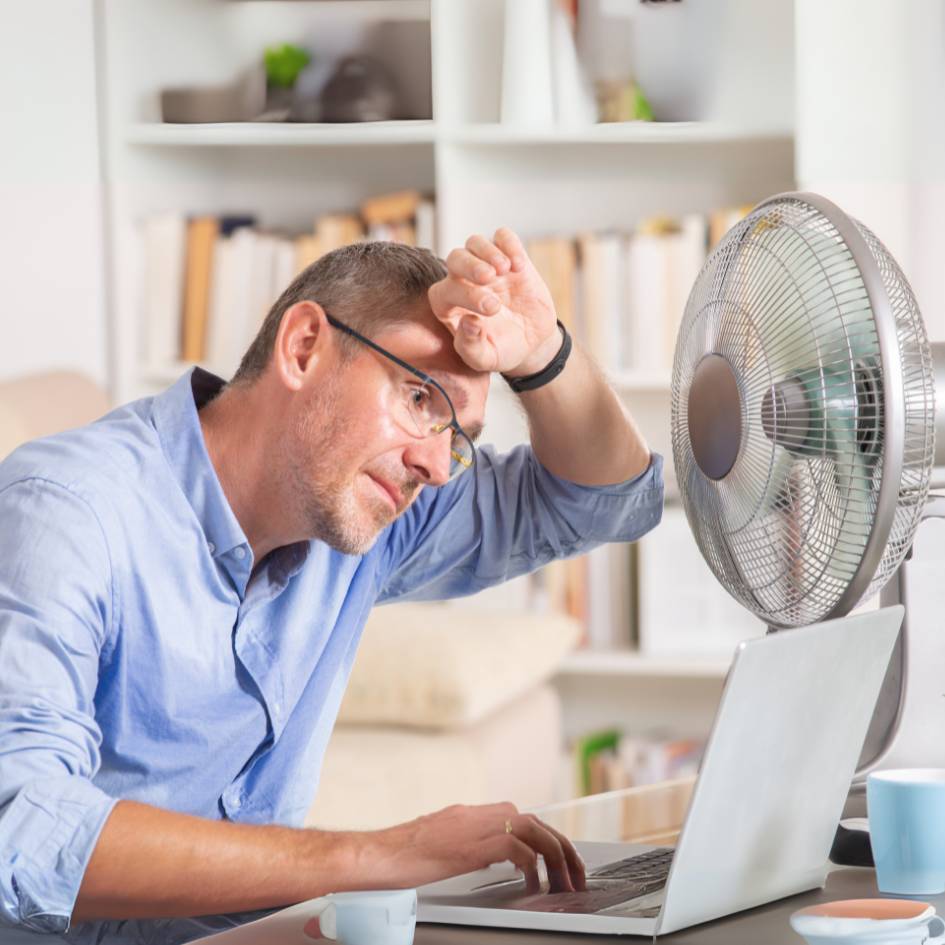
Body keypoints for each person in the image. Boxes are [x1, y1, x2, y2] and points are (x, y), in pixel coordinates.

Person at [0, 229, 662, 942]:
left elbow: (606, 501)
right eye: (419, 397)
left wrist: (543, 355)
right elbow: (24, 832)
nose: (437, 466)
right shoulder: (65, 508)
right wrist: (380, 855)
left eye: (457, 435)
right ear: (304, 346)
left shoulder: (362, 517)